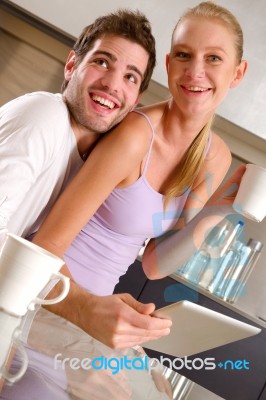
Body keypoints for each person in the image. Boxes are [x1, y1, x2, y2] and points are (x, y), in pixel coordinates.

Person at [1, 2, 248, 399]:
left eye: (214, 58)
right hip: (51, 301)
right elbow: (44, 246)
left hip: (97, 314)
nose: (195, 71)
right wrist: (87, 318)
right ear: (169, 64)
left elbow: (154, 264)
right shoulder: (135, 135)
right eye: (183, 55)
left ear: (238, 73)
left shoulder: (215, 156)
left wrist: (219, 212)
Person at [0, 9, 171, 344]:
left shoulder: (87, 160)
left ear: (136, 101)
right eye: (103, 62)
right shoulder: (43, 117)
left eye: (130, 77)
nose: (112, 84)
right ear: (71, 66)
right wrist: (81, 308)